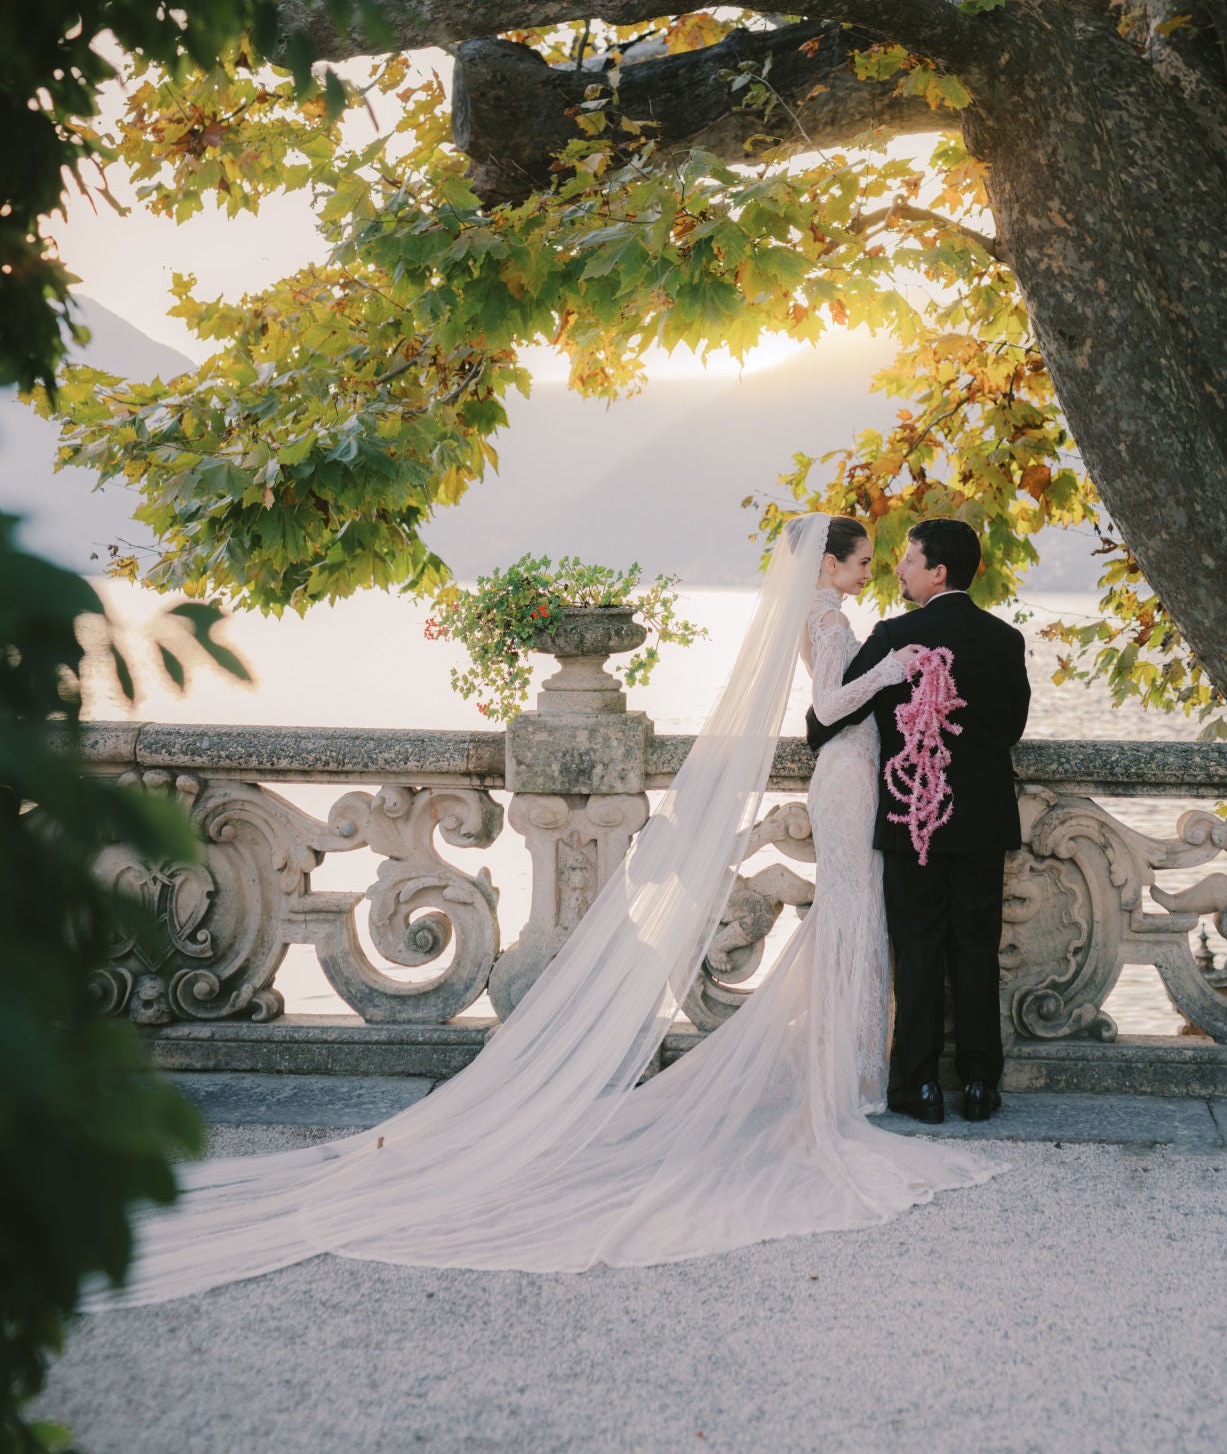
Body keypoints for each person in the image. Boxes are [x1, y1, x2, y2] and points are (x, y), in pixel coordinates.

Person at [93, 514, 1001, 1306]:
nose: (877, 564)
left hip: (857, 780)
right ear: (831, 564)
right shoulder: (836, 619)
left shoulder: (836, 615)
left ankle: (852, 1069)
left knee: (852, 919)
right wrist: (898, 675)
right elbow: (832, 708)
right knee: (849, 917)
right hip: (849, 777)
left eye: (893, 555)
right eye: (864, 554)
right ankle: (844, 1077)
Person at [807, 518, 1030, 1126]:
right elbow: (1009, 731)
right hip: (983, 819)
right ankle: (982, 1085)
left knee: (918, 948)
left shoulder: (894, 636)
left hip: (913, 816)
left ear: (938, 571)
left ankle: (921, 1086)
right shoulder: (1006, 641)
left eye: (908, 560)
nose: (898, 569)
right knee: (977, 949)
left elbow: (824, 722)